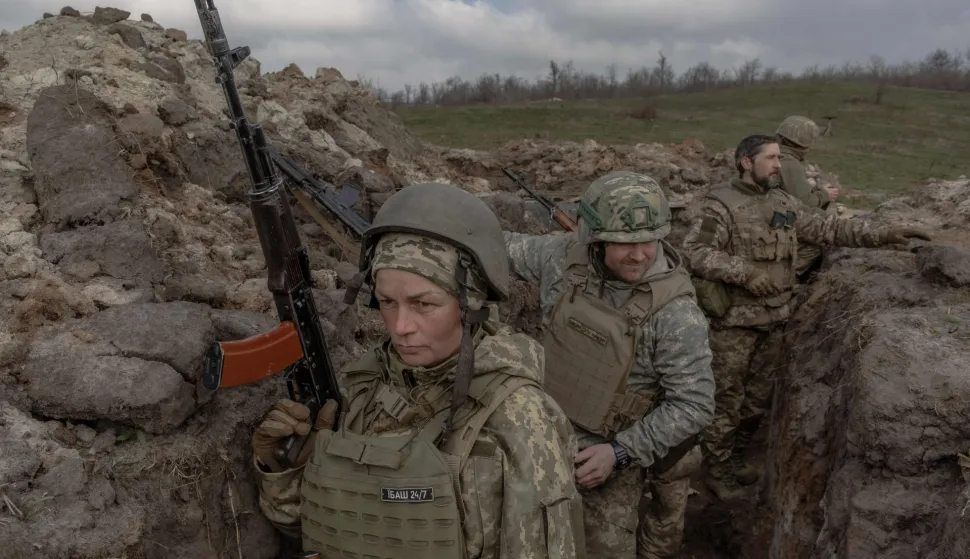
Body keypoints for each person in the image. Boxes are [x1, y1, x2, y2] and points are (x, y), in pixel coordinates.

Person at [251, 182, 586, 558]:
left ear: (470, 302)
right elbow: (313, 528)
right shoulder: (361, 390)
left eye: (423, 304)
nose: (400, 326)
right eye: (388, 302)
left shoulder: (519, 416)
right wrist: (283, 466)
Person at [682, 134, 932, 500]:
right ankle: (718, 474)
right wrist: (746, 273)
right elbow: (694, 252)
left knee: (756, 402)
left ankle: (734, 460)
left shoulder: (782, 201)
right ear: (746, 162)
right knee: (726, 404)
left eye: (780, 157)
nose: (778, 164)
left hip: (774, 320)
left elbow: (829, 229)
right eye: (770, 158)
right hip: (732, 326)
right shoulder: (719, 206)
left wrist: (883, 234)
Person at [504, 171, 716, 559]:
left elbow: (694, 404)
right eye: (623, 243)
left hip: (612, 456)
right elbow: (500, 248)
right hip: (544, 431)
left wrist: (618, 452)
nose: (639, 255)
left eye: (648, 242)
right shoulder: (563, 259)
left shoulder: (676, 315)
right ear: (596, 241)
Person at [776, 115, 842, 276]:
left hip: (763, 214)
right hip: (777, 221)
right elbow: (806, 204)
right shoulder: (790, 164)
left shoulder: (769, 154)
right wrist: (825, 195)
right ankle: (785, 276)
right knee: (820, 239)